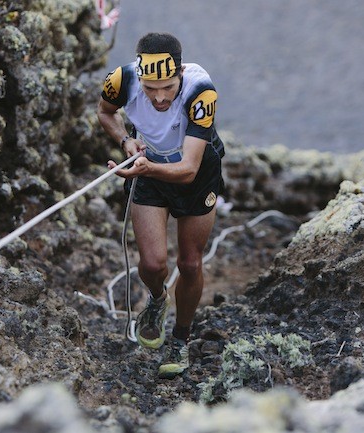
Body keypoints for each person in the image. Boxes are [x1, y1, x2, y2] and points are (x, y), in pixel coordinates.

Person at [97, 32, 225, 378]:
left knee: (190, 261)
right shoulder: (120, 80)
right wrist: (126, 140)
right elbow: (106, 112)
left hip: (193, 175)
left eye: (167, 87)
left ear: (179, 73)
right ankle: (156, 300)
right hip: (149, 169)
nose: (158, 97)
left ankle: (181, 338)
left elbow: (188, 170)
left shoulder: (201, 93)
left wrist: (146, 167)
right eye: (150, 88)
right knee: (152, 265)